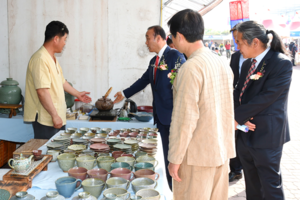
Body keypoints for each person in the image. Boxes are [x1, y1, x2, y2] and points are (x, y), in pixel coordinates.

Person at [167, 9, 235, 200]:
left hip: (197, 156)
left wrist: (175, 159)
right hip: (220, 151)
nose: (172, 41)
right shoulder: (221, 62)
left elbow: (185, 119)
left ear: (180, 36)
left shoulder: (190, 68)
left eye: (172, 36)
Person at [113, 25, 186, 189]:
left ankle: (173, 189)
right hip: (160, 117)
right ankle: (167, 187)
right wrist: (124, 94)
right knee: (165, 153)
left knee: (172, 156)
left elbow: (184, 86)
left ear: (159, 38)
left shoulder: (175, 56)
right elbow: (143, 80)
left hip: (173, 117)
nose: (146, 42)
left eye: (148, 37)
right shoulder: (154, 61)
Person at [234, 21, 292, 200]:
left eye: (240, 42)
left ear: (255, 42)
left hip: (267, 136)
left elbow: (266, 97)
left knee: (270, 186)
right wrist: (237, 119)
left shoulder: (281, 63)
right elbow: (238, 94)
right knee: (252, 185)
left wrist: (236, 118)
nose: (238, 46)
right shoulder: (246, 64)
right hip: (245, 134)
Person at [24, 21, 91, 139]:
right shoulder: (40, 59)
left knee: (58, 151)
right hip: (45, 117)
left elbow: (62, 81)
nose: (65, 43)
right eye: (64, 39)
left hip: (55, 116)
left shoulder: (51, 58)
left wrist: (77, 94)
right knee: (47, 153)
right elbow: (42, 91)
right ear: (56, 39)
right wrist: (54, 115)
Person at [228, 24, 247, 182]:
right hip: (236, 104)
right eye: (235, 40)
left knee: (247, 136)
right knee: (235, 137)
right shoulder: (235, 57)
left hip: (253, 107)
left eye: (238, 39)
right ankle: (235, 169)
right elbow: (231, 80)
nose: (236, 42)